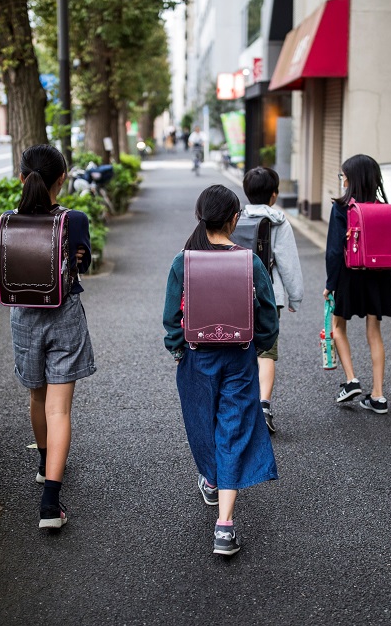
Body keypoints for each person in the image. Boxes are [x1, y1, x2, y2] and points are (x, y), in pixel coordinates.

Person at [163, 184, 279, 556]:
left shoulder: (184, 260)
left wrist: (178, 349)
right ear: (234, 219)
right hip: (239, 358)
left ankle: (212, 480)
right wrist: (258, 344)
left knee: (202, 426)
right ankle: (224, 528)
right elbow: (267, 314)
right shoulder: (249, 261)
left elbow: (171, 318)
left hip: (197, 358)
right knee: (233, 430)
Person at [8, 144, 97, 529]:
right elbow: (83, 263)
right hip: (63, 315)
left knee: (36, 396)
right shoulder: (73, 219)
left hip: (24, 317)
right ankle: (50, 505)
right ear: (62, 178)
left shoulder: (8, 220)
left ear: (22, 177)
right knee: (59, 408)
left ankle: (44, 464)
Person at [323, 154, 391, 414]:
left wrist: (330, 284)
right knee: (374, 332)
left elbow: (334, 251)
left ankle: (351, 379)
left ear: (351, 179)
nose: (342, 179)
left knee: (337, 326)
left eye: (343, 175)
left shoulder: (341, 207)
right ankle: (378, 396)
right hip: (379, 277)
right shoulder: (383, 207)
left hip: (349, 276)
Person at [241, 167, 303, 433]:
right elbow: (288, 263)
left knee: (241, 347)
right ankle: (264, 405)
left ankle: (242, 406)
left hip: (238, 292)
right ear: (274, 195)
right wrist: (295, 298)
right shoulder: (279, 221)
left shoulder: (235, 217)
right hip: (269, 295)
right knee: (266, 350)